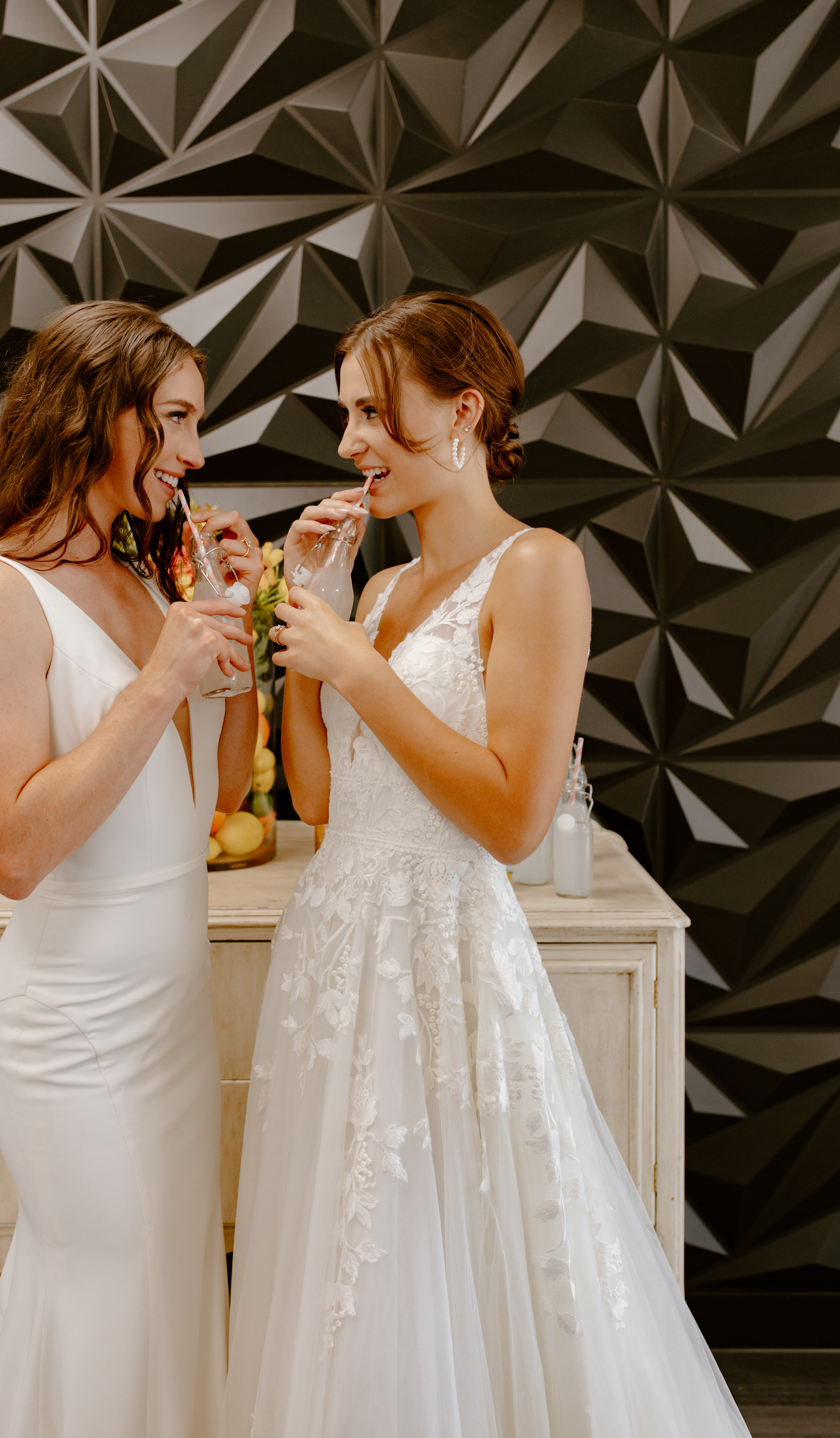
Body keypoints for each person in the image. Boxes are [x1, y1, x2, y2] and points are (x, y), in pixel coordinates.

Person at [223, 292, 750, 1437]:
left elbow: (511, 820)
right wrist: (313, 623)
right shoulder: (378, 591)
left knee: (455, 1249)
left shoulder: (537, 569)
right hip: (338, 955)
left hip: (445, 957)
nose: (350, 441)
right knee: (350, 1261)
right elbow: (322, 802)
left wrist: (357, 669)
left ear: (461, 410)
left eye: (374, 412)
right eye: (346, 415)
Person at [0, 301, 262, 1438]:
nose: (196, 452)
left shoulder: (142, 584)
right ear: (95, 413)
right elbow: (11, 851)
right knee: (109, 1310)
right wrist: (160, 680)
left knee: (159, 1304)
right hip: (71, 1033)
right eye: (176, 419)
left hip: (167, 1023)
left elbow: (219, 793)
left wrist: (237, 632)